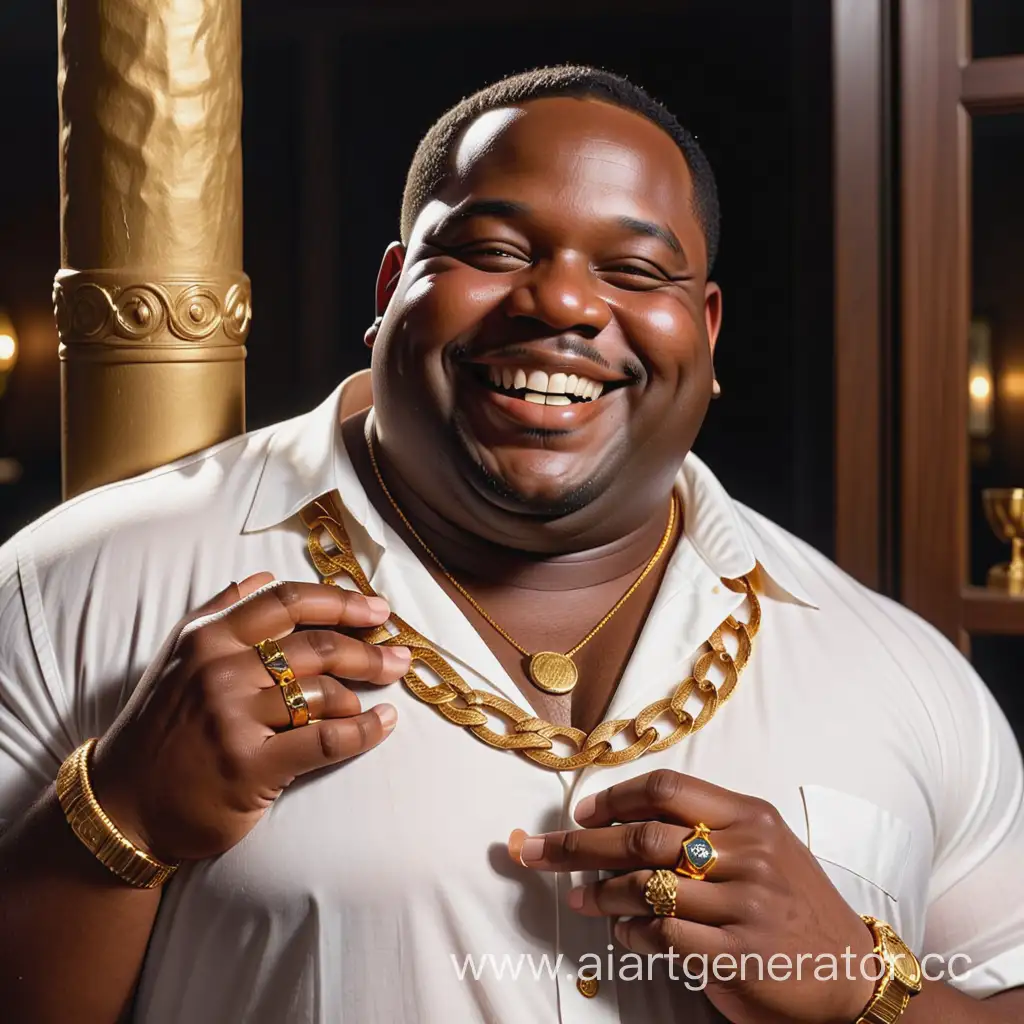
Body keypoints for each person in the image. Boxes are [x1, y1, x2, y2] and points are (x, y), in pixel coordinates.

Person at [0, 65, 1022, 1024]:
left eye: (633, 270)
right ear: (392, 286)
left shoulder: (903, 675)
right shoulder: (72, 592)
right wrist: (115, 822)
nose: (565, 304)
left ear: (705, 332)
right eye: (492, 251)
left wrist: (859, 985)